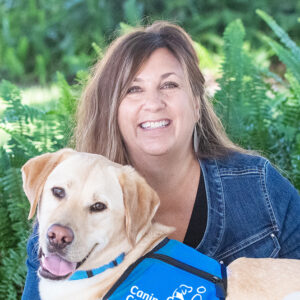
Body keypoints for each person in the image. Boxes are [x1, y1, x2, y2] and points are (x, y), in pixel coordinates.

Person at [22, 21, 300, 299]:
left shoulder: (258, 186)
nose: (153, 103)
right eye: (133, 89)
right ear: (112, 109)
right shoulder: (59, 226)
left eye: (169, 84)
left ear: (196, 103)